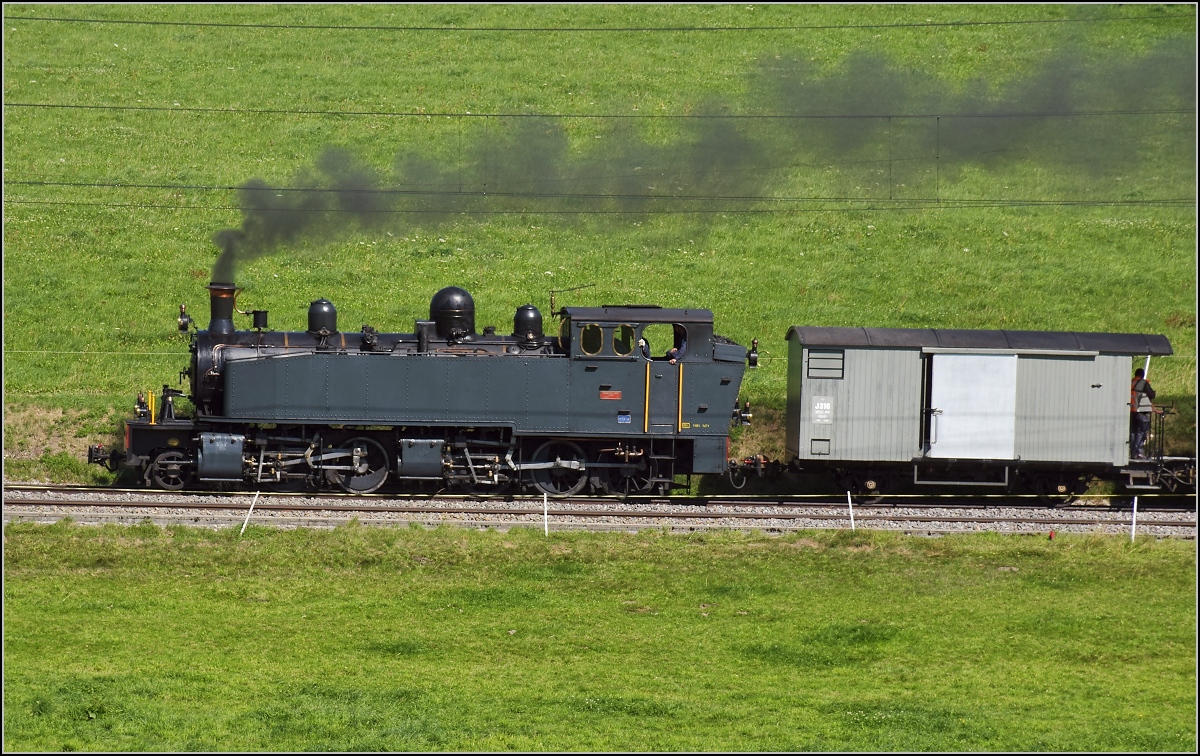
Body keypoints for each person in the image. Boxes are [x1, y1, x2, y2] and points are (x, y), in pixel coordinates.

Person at [1129, 367, 1157, 459]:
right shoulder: (1143, 383)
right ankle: (1138, 452)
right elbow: (1152, 394)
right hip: (1140, 409)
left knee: (1133, 431)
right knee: (1141, 431)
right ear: (1142, 375)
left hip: (1130, 410)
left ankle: (1133, 452)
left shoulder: (1130, 382)